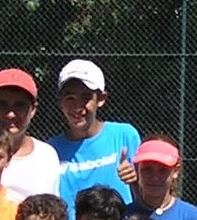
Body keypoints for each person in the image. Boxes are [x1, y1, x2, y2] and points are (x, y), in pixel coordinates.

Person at [49, 59, 141, 204]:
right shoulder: (50, 151)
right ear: (60, 102)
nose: (77, 107)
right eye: (70, 98)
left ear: (101, 99)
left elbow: (148, 195)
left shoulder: (125, 135)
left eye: (86, 98)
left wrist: (136, 180)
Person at [0, 67, 62, 201]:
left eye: (20, 105)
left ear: (33, 110)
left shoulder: (47, 156)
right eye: (2, 105)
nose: (10, 114)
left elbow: (52, 214)